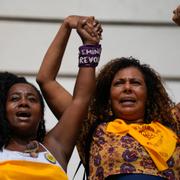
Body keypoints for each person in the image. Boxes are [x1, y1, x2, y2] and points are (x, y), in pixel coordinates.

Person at [0, 15, 102, 180]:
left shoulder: (55, 148)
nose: (24, 102)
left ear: (41, 113)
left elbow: (80, 100)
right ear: (3, 111)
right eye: (15, 99)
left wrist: (89, 45)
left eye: (32, 99)